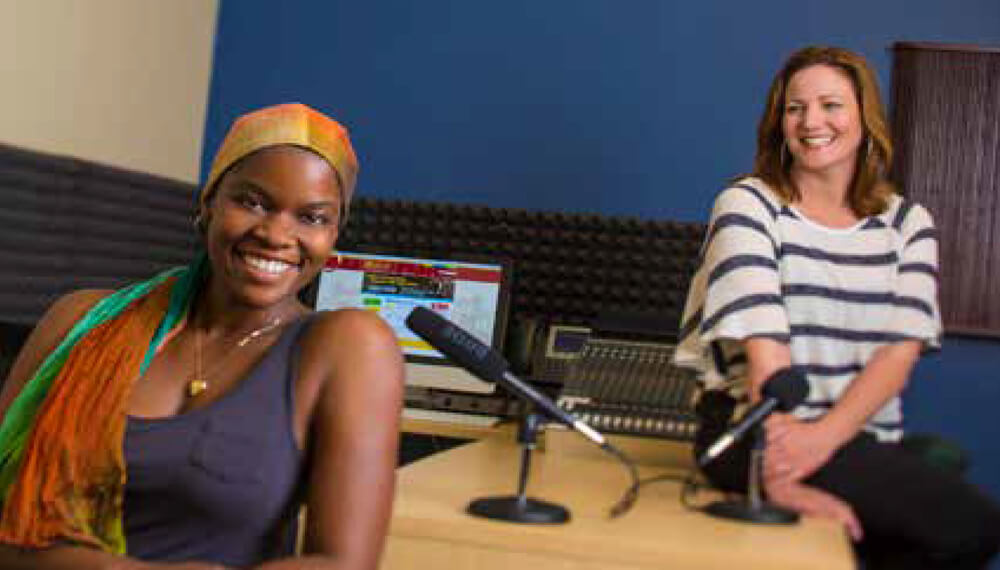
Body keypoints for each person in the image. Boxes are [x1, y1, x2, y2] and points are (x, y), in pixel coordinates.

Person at [0, 103, 405, 569]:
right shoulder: (80, 323)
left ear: (333, 233)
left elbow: (343, 564)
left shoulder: (347, 348)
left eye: (312, 218)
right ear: (208, 202)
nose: (276, 234)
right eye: (252, 202)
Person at [674, 46, 1000, 568]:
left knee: (946, 532)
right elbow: (768, 362)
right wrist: (781, 474)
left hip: (848, 438)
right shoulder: (748, 205)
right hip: (755, 435)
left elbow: (898, 357)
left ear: (864, 117)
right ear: (778, 122)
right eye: (794, 107)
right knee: (968, 527)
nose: (811, 121)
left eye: (831, 105)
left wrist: (820, 443)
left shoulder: (907, 223)